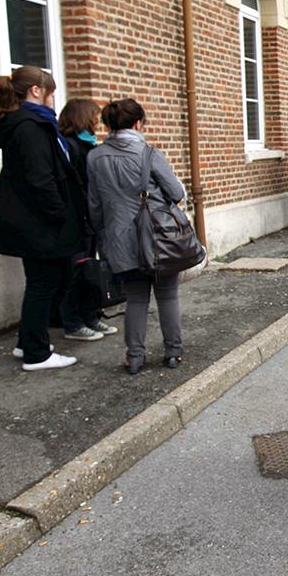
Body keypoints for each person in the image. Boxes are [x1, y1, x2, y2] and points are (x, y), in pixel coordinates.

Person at [0, 67, 84, 371]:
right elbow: (41, 178)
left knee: (40, 284)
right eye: (51, 92)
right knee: (44, 285)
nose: (54, 99)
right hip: (40, 222)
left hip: (31, 220)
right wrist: (59, 212)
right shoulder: (31, 126)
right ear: (36, 91)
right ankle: (36, 353)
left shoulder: (22, 124)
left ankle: (27, 341)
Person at [86, 99, 187, 375]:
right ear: (138, 123)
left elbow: (94, 206)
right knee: (167, 296)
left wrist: (103, 236)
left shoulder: (95, 157)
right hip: (156, 238)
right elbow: (176, 194)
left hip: (118, 239)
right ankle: (173, 353)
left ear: (109, 125)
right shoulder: (149, 153)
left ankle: (134, 358)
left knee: (135, 299)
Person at [58, 98, 118, 342]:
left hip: (90, 219)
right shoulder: (72, 147)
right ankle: (73, 323)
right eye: (94, 116)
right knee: (75, 272)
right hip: (77, 219)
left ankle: (91, 315)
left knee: (90, 271)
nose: (98, 121)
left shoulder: (89, 145)